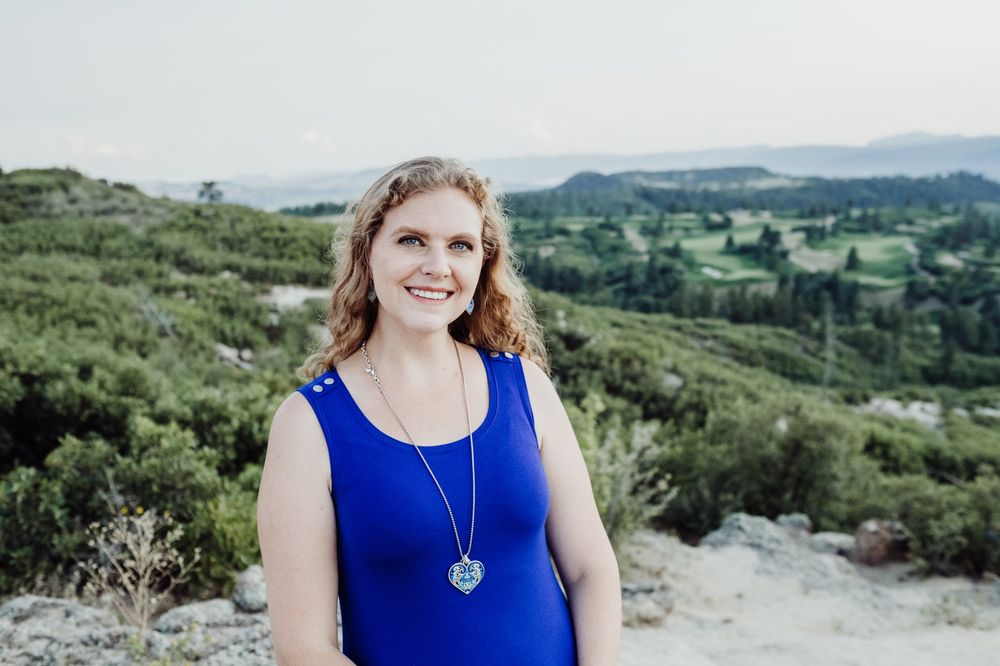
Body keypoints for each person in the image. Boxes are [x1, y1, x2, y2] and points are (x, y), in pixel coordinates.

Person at [257, 156, 621, 665]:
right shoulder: (309, 424)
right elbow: (303, 649)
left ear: (482, 264)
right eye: (411, 240)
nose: (437, 266)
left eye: (460, 246)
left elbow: (590, 568)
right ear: (367, 254)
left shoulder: (524, 385)